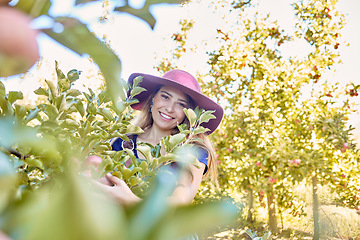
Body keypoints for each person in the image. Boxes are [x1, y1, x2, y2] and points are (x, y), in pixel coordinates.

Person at [92, 69, 224, 206]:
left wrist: (130, 201)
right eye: (165, 97)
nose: (170, 108)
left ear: (188, 114)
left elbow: (180, 202)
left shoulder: (192, 151)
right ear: (153, 99)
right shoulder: (122, 142)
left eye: (181, 104)